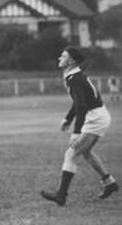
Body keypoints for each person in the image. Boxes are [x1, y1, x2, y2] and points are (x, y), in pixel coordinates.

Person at [41, 46, 118, 206]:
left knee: (71, 154)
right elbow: (78, 103)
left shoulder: (75, 78)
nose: (59, 58)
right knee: (85, 152)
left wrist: (76, 133)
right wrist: (68, 119)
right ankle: (110, 183)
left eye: (63, 56)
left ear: (71, 61)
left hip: (95, 117)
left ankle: (61, 195)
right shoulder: (73, 76)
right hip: (97, 115)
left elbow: (82, 106)